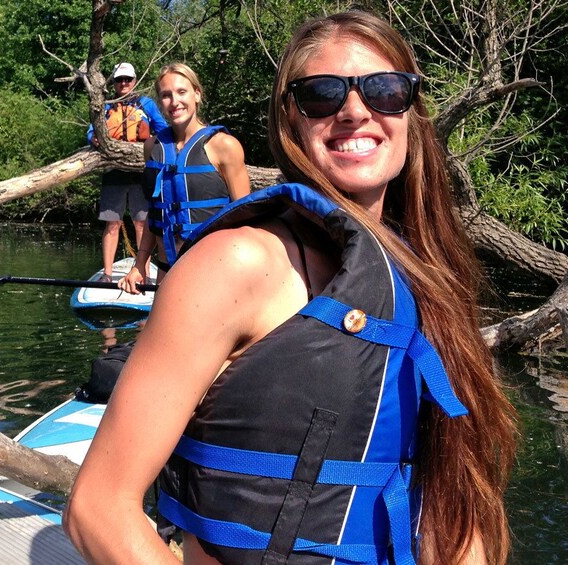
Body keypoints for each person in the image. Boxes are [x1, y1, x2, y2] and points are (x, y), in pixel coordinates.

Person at [65, 10, 517, 565]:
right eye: (322, 94)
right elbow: (97, 507)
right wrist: (143, 263)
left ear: (412, 111)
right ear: (291, 119)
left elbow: (455, 498)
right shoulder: (240, 263)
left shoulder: (427, 271)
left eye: (385, 90)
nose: (355, 110)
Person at [118, 62, 249, 292]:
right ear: (160, 103)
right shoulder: (152, 147)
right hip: (167, 271)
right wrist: (140, 264)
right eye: (166, 95)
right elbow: (155, 211)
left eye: (181, 92)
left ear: (197, 94)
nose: (175, 102)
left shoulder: (224, 146)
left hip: (215, 272)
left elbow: (246, 222)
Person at [88, 62, 169, 282]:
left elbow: (162, 128)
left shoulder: (146, 105)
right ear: (114, 83)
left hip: (138, 170)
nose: (124, 83)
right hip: (114, 169)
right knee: (112, 223)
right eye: (119, 80)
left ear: (134, 82)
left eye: (128, 80)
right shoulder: (105, 106)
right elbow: (91, 131)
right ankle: (107, 273)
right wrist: (92, 138)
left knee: (141, 222)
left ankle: (140, 269)